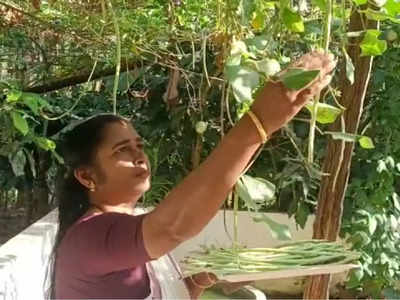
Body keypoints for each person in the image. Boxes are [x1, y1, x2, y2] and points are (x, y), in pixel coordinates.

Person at [47, 51, 336, 299]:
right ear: (86, 176)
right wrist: (257, 122)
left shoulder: (125, 230)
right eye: (122, 150)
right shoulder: (90, 236)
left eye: (139, 145)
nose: (139, 155)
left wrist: (197, 283)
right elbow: (172, 228)